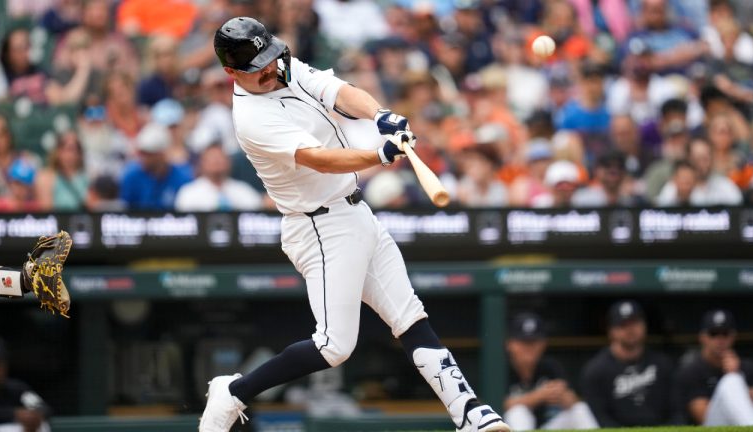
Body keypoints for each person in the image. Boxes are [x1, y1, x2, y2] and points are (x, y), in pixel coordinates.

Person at [198, 17, 510, 432]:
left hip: (355, 213)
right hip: (319, 227)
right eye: (259, 68)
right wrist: (379, 155)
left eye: (271, 59)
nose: (272, 70)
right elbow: (318, 159)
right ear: (232, 73)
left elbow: (338, 92)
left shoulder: (284, 67)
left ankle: (468, 411)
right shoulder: (251, 118)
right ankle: (234, 392)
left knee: (409, 316)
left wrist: (381, 115)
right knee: (334, 347)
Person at [580, 300, 674, 427]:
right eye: (622, 325)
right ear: (611, 331)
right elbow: (598, 419)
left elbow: (677, 412)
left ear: (644, 325)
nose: (630, 329)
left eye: (635, 323)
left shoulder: (663, 364)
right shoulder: (595, 371)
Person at [503, 313, 598, 431]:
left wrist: (565, 397)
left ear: (543, 344)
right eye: (523, 342)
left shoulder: (550, 367)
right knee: (518, 412)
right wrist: (538, 396)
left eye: (534, 342)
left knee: (580, 408)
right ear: (510, 344)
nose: (529, 348)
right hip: (508, 427)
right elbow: (494, 406)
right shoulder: (498, 368)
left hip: (547, 427)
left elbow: (572, 400)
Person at [674, 309, 753, 426]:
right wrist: (733, 375)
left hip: (750, 422)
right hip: (714, 425)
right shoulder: (692, 370)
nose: (720, 340)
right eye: (714, 333)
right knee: (731, 381)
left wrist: (738, 373)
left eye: (725, 333)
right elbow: (702, 416)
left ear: (733, 336)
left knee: (734, 379)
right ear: (703, 337)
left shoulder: (749, 367)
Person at [119, 122, 193, 210]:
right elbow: (124, 213)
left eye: (149, 154)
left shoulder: (182, 178)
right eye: (141, 153)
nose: (143, 158)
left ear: (162, 154)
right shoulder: (131, 176)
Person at [175, 144, 262, 212]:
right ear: (202, 164)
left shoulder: (244, 190)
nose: (216, 161)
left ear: (229, 162)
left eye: (220, 158)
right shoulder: (188, 193)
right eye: (212, 158)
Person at [0, 338, 51, 432]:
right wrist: (14, 414)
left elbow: (43, 407)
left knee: (41, 425)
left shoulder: (16, 388)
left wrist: (33, 417)